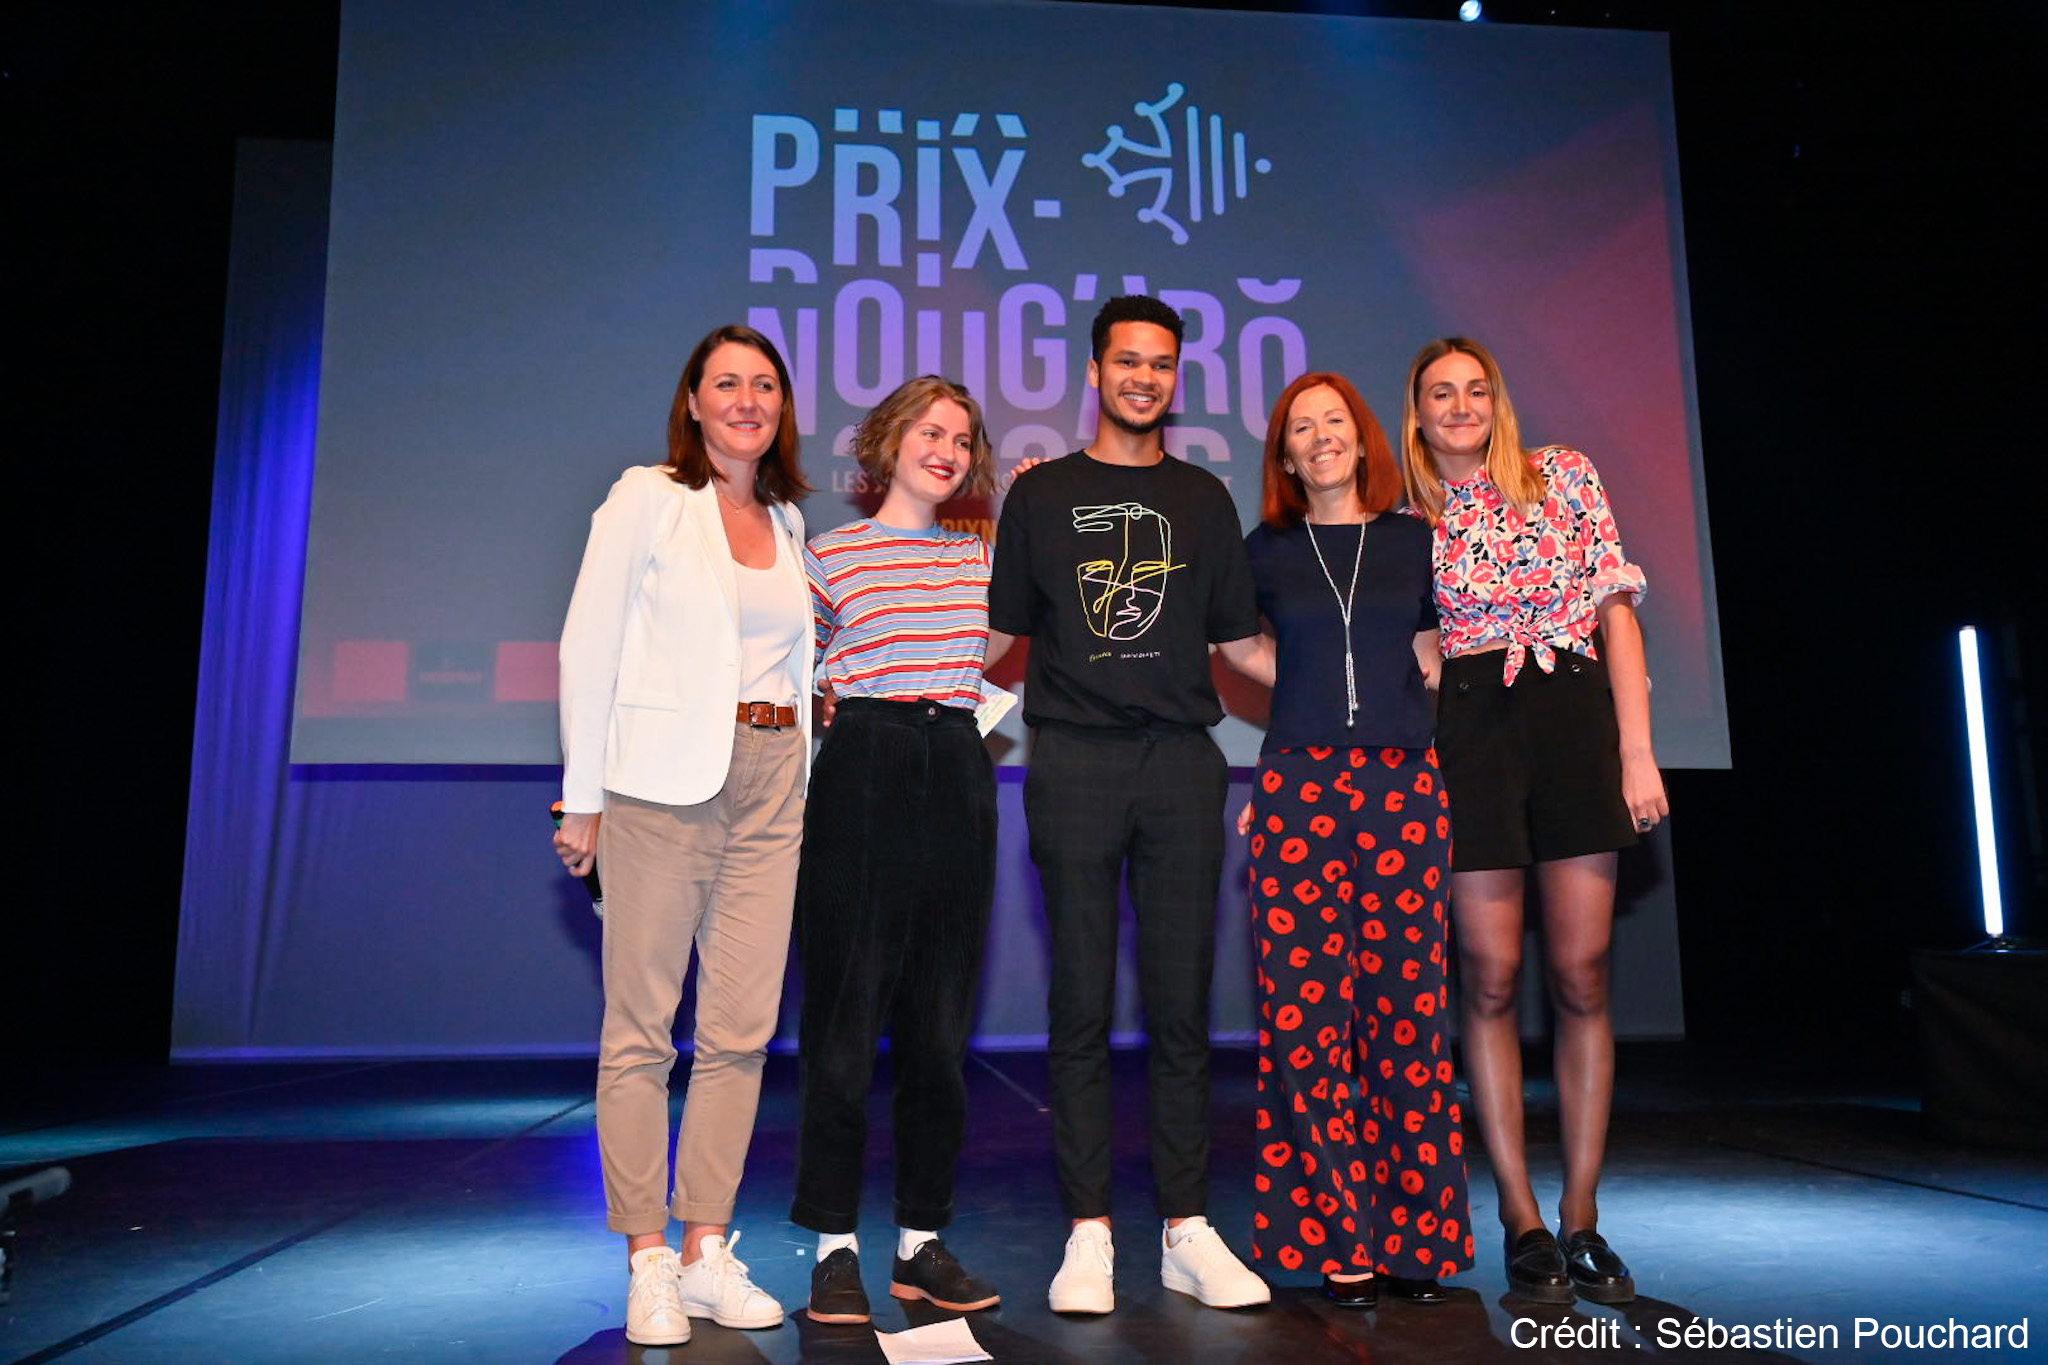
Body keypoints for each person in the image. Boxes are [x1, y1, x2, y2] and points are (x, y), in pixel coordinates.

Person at [988, 295, 1270, 1315]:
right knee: (1079, 1005)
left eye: (1159, 363)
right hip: (1071, 761)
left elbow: (1241, 646)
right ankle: (1089, 1233)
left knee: (1182, 1006)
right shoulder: (1040, 494)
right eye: (1126, 361)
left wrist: (1357, 695)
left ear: (1173, 377)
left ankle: (1187, 1227)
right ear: (1094, 371)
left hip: (1183, 766)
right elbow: (993, 637)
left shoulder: (1203, 500)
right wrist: (879, 677)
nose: (1143, 377)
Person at [554, 324, 812, 1346]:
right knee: (641, 1033)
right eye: (727, 384)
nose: (747, 400)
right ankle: (646, 1255)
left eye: (764, 385)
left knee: (742, 1032)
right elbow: (588, 644)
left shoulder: (787, 519)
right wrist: (583, 797)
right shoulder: (648, 498)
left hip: (772, 784)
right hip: (660, 787)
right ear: (693, 402)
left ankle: (706, 1247)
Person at [1399, 337, 1667, 1306]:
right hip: (1472, 738)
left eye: (1475, 389)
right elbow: (1411, 637)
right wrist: (1429, 659)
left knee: (1582, 972)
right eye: (1441, 393)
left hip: (1573, 722)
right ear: (1418, 414)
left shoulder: (1564, 475)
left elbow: (1616, 614)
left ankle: (1581, 1215)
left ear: (1496, 401)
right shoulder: (1411, 519)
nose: (1460, 405)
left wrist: (1635, 752)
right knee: (1490, 976)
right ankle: (1520, 1218)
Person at [1226, 372, 1475, 1308]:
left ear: (1363, 439)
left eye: (1334, 421)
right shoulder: (1264, 550)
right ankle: (1338, 1238)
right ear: (1286, 456)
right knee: (1306, 1020)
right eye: (1302, 428)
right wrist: (1304, 683)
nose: (1321, 436)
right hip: (1299, 788)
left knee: (1409, 1015)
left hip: (1404, 789)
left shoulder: (1416, 540)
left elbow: (1437, 649)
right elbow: (1232, 644)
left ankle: (1419, 1238)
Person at [791, 376, 1008, 1324]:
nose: (946, 451)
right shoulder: (827, 555)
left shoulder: (983, 558)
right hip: (864, 765)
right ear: (886, 441)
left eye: (962, 439)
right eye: (929, 431)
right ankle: (833, 1248)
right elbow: (790, 675)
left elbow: (1015, 634)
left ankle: (921, 1242)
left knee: (939, 1028)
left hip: (956, 763)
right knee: (843, 1024)